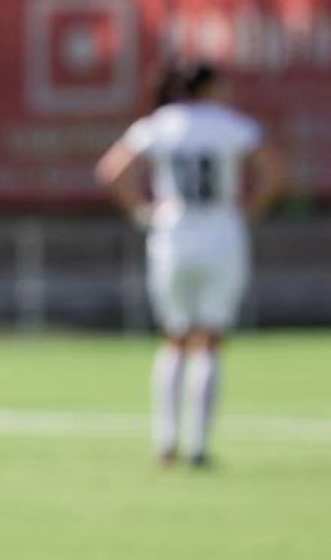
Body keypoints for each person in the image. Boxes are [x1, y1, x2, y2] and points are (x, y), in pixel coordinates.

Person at [96, 61, 285, 468]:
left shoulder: (160, 124)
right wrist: (247, 211)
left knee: (174, 339)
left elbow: (111, 171)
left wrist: (142, 211)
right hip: (221, 236)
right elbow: (274, 173)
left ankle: (166, 441)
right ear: (210, 87)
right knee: (210, 341)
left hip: (172, 237)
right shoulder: (232, 125)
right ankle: (198, 446)